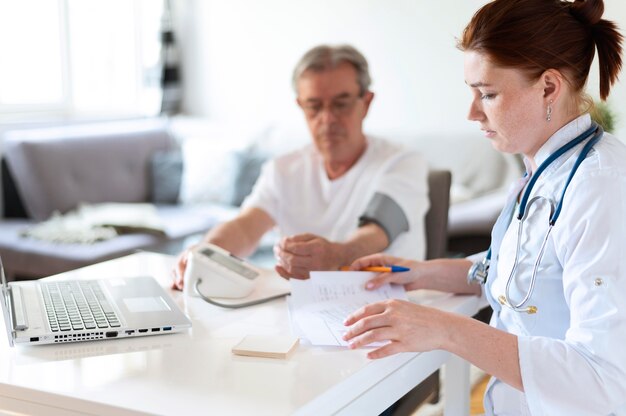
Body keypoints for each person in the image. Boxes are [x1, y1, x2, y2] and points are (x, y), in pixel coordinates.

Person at [342, 0, 626, 414]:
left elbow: (604, 382)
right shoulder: (542, 172)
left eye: (488, 94)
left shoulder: (599, 189)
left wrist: (445, 329)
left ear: (549, 87)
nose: (472, 113)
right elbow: (515, 275)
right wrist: (415, 272)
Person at [172, 44, 428, 288]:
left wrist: (337, 255)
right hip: (309, 308)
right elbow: (246, 227)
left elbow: (377, 231)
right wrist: (205, 252)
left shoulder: (402, 163)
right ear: (301, 106)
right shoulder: (284, 169)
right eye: (314, 106)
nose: (327, 119)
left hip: (394, 304)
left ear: (367, 102)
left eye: (341, 104)